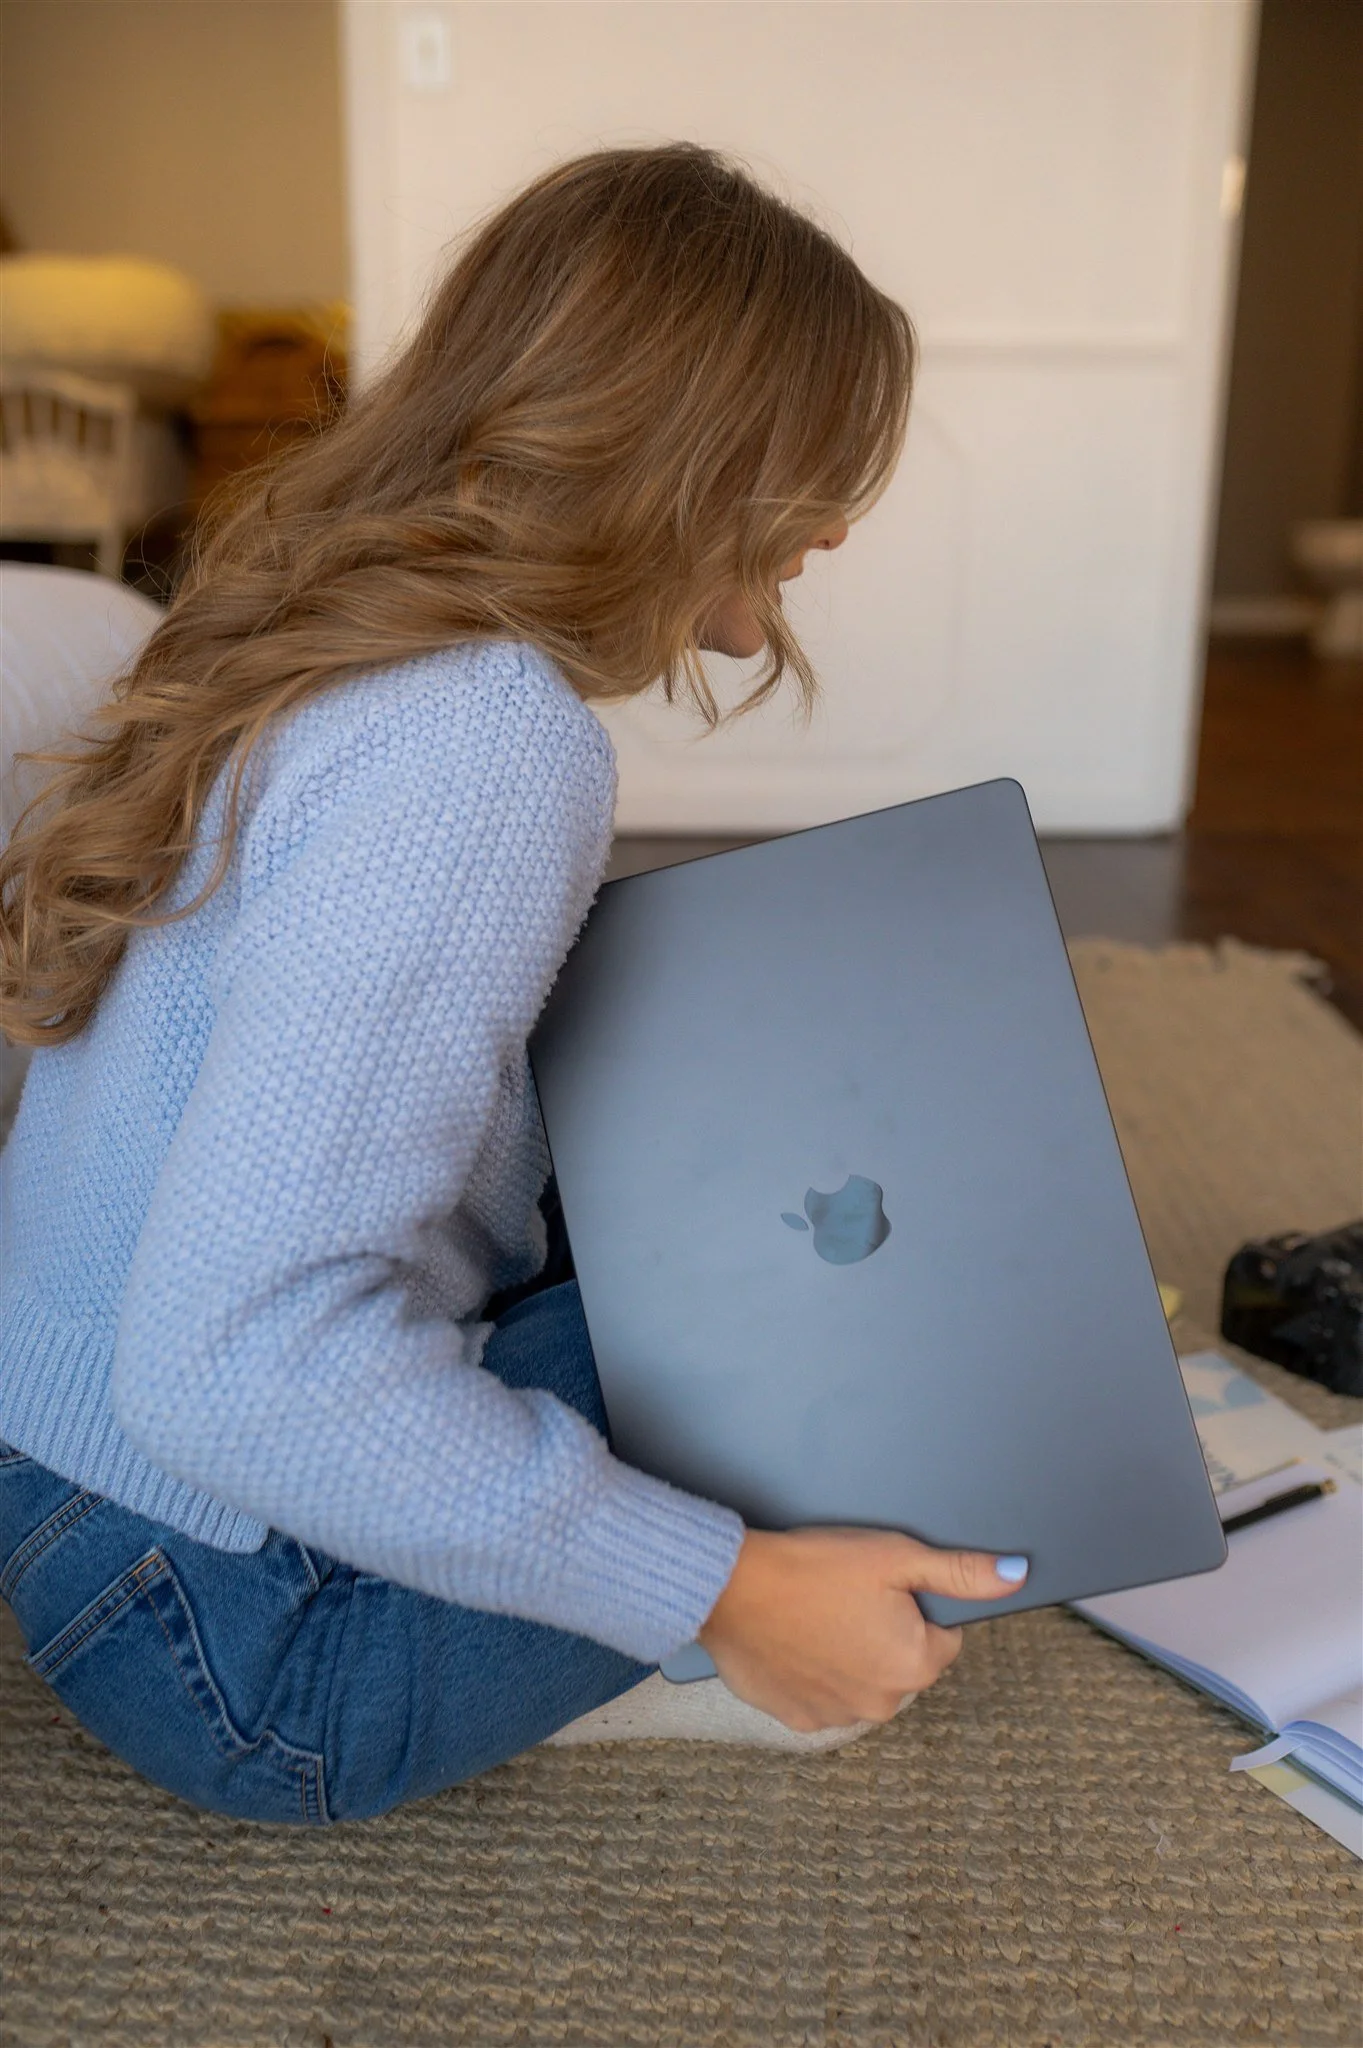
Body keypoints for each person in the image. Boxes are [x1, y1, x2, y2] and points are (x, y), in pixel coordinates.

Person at [0, 144, 1026, 1826]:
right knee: (893, 1297)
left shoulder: (346, 650)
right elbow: (237, 1363)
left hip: (74, 1480)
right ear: (688, 453)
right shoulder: (482, 741)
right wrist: (722, 1592)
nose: (838, 527)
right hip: (243, 1646)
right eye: (819, 472)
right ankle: (678, 1629)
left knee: (778, 1209)